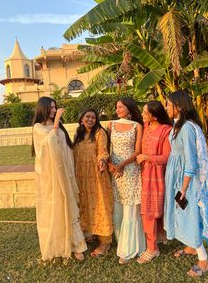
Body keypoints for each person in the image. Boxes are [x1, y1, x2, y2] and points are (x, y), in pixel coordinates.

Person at [164, 90, 208, 277]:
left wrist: (183, 188)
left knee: (189, 217)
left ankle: (204, 261)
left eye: (168, 104)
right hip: (178, 178)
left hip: (186, 181)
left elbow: (191, 161)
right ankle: (190, 246)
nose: (166, 108)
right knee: (183, 215)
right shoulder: (177, 126)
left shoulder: (187, 128)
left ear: (179, 106)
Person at [32, 97, 87, 262]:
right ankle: (58, 245)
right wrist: (56, 121)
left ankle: (77, 246)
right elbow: (50, 141)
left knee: (70, 207)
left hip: (66, 174)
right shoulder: (38, 127)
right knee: (55, 209)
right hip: (51, 178)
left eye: (55, 107)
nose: (54, 110)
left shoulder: (58, 126)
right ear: (43, 109)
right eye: (51, 108)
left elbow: (66, 147)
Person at [108, 97, 146, 264]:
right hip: (115, 172)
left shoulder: (137, 126)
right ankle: (118, 240)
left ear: (129, 108)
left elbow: (137, 151)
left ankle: (129, 249)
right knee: (118, 208)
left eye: (121, 107)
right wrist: (110, 165)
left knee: (131, 209)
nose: (118, 110)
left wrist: (122, 164)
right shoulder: (111, 125)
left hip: (130, 170)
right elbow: (106, 148)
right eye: (117, 107)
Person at [73, 108, 113, 257]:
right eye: (87, 117)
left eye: (93, 118)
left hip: (97, 175)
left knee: (100, 205)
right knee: (86, 205)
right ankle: (91, 233)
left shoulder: (100, 133)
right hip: (81, 177)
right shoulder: (78, 134)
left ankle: (105, 242)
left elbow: (103, 151)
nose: (90, 120)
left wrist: (102, 160)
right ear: (81, 119)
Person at [136, 101, 172, 263]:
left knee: (151, 210)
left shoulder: (166, 131)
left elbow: (166, 157)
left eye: (145, 112)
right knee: (148, 211)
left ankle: (152, 249)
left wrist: (147, 157)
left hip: (157, 176)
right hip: (142, 175)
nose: (142, 115)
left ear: (155, 116)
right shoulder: (144, 127)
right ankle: (154, 242)